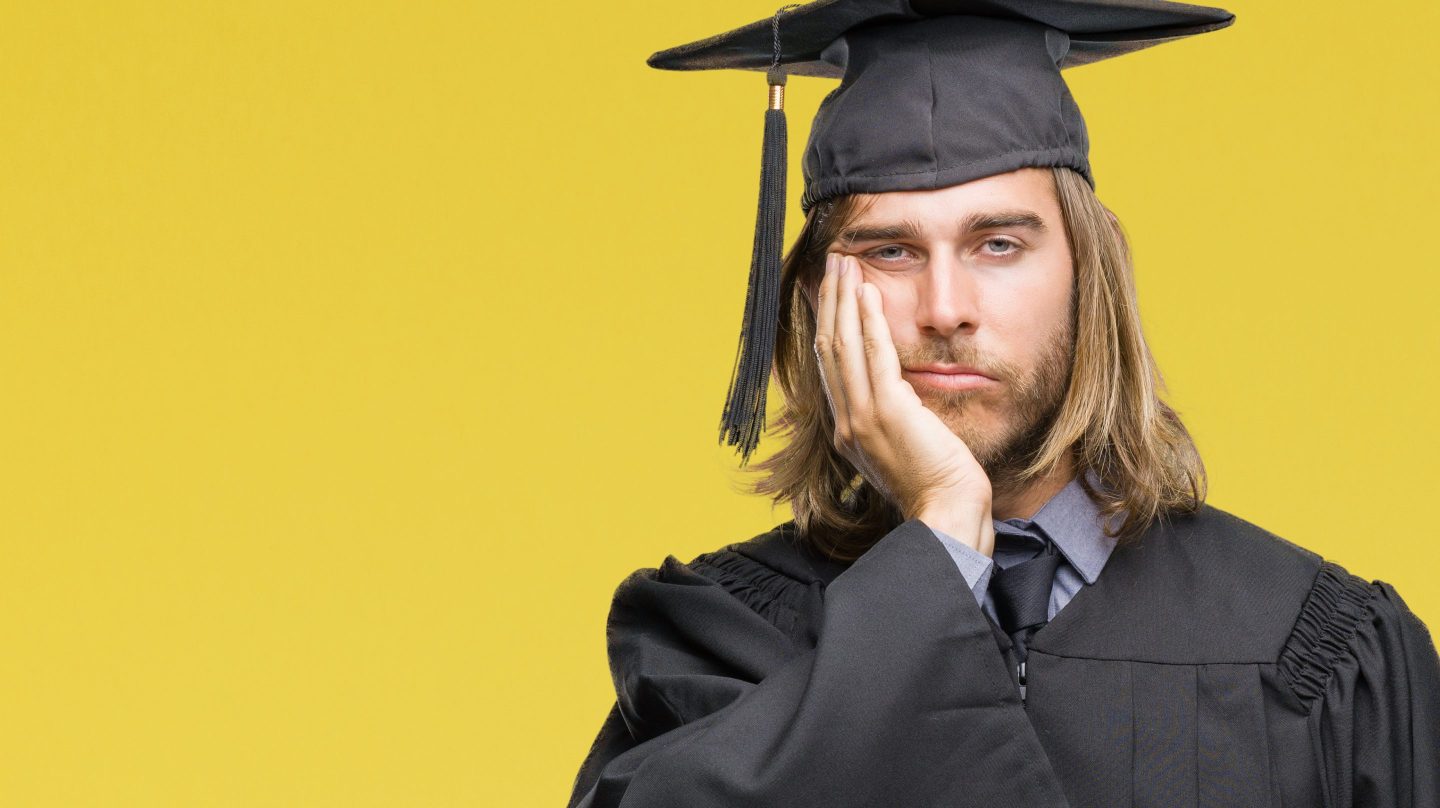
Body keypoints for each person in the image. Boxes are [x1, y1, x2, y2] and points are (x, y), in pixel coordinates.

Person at [566, 2, 1440, 806]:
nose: (945, 307)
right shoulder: (717, 645)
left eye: (998, 243)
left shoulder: (1316, 651)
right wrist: (941, 535)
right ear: (815, 302)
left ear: (1086, 278)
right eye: (891, 251)